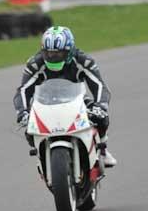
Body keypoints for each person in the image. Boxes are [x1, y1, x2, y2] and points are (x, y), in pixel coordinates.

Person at [14, 26, 117, 167]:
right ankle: (40, 153)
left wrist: (101, 105)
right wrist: (22, 112)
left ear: (69, 51)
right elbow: (23, 90)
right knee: (28, 126)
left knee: (102, 118)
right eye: (48, 53)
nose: (52, 57)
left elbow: (100, 86)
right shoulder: (35, 64)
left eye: (58, 53)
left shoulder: (83, 61)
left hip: (77, 100)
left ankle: (103, 150)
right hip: (45, 102)